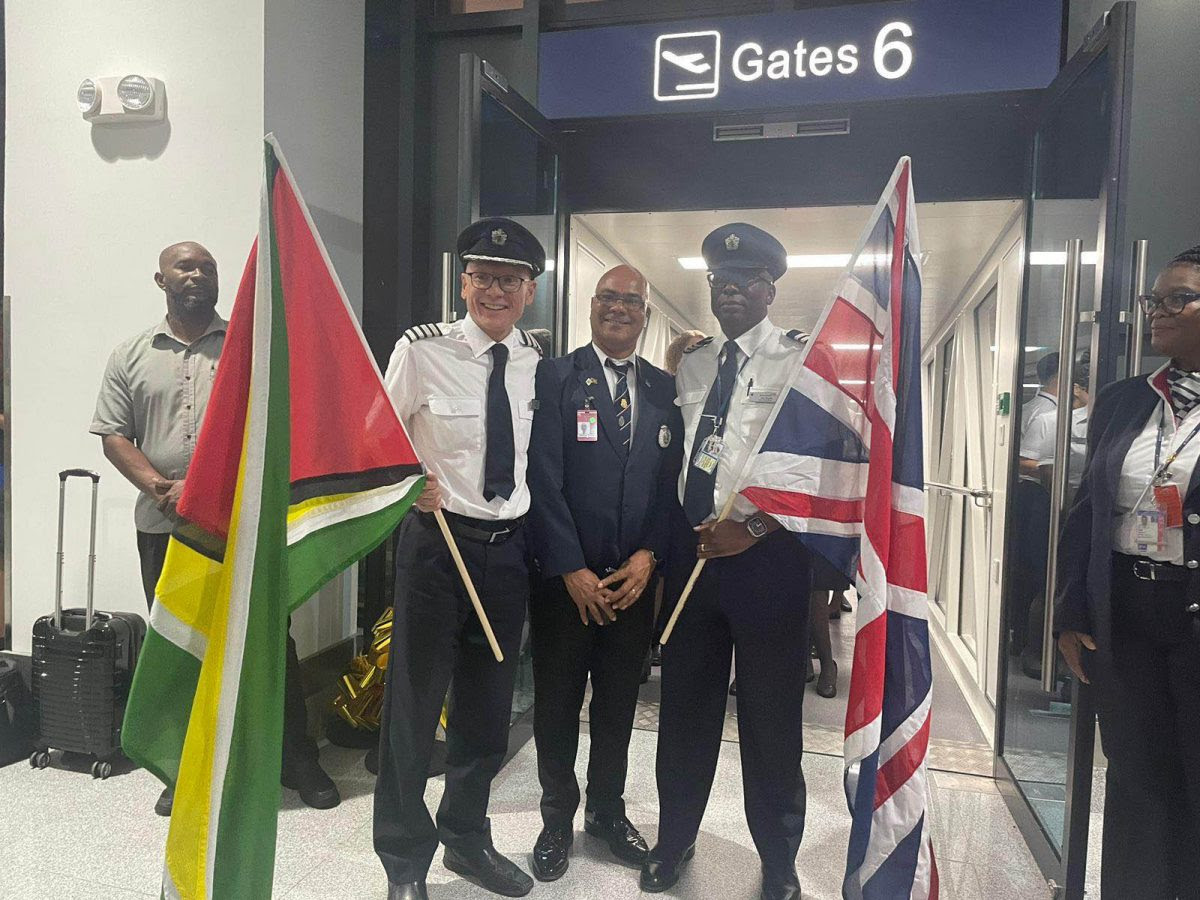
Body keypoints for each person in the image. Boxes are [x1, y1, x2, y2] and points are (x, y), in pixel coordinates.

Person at [90, 242, 337, 817]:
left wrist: (219, 492)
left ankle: (295, 757)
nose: (198, 274)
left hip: (243, 527)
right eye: (185, 266)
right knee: (181, 641)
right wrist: (159, 486)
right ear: (161, 279)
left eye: (208, 267)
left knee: (272, 641)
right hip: (164, 525)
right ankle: (187, 766)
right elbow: (113, 434)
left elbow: (281, 426)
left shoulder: (250, 349)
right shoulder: (130, 353)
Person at [374, 218, 546, 900]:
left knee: (487, 711)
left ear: (529, 291)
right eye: (481, 276)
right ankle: (404, 861)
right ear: (463, 282)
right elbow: (381, 442)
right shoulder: (421, 350)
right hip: (435, 550)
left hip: (507, 555)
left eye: (509, 280)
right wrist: (408, 481)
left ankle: (467, 841)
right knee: (413, 712)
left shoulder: (538, 362)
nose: (494, 290)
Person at [642, 224, 810, 900]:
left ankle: (778, 860)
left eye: (744, 279)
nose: (730, 288)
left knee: (772, 722)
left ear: (771, 288)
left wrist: (757, 528)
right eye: (718, 280)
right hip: (695, 561)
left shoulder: (803, 362)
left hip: (769, 562)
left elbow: (817, 474)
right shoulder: (695, 362)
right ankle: (674, 840)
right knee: (685, 711)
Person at [526, 265, 683, 881]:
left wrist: (649, 556)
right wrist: (570, 568)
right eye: (608, 299)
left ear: (646, 315)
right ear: (592, 307)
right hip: (565, 587)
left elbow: (672, 489)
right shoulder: (556, 377)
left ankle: (607, 812)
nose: (619, 309)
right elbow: (542, 477)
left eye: (632, 302)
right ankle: (556, 816)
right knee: (557, 706)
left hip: (632, 587)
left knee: (618, 706)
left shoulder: (667, 390)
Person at [1056, 244, 1200, 899]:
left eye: (1178, 299)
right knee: (1137, 777)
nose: (1157, 313)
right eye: (1154, 300)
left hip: (1191, 611)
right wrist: (1070, 611)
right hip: (1127, 615)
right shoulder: (1121, 402)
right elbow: (1087, 510)